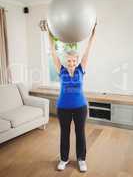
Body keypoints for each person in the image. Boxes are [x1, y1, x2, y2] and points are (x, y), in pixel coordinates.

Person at [45, 21, 97, 172]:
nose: (72, 63)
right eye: (69, 60)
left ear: (77, 60)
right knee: (64, 134)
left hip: (80, 107)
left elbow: (88, 49)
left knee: (80, 133)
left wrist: (93, 33)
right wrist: (49, 33)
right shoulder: (60, 69)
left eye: (74, 60)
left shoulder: (81, 68)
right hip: (63, 108)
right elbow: (53, 51)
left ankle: (81, 159)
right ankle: (64, 159)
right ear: (66, 61)